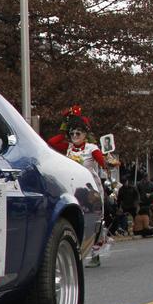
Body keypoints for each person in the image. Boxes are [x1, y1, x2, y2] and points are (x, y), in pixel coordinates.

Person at [47, 106, 108, 265]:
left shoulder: (91, 149)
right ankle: (76, 251)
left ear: (85, 135)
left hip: (91, 191)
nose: (74, 136)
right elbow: (51, 142)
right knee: (75, 219)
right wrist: (66, 125)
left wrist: (109, 163)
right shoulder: (68, 148)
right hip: (74, 190)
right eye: (72, 133)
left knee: (94, 221)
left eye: (78, 133)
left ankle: (95, 253)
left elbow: (103, 163)